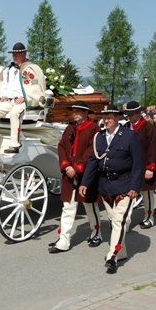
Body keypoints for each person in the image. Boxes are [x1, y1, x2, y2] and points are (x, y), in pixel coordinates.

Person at [79, 104, 142, 274]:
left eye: (110, 117)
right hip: (106, 185)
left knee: (118, 220)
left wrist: (135, 187)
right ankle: (121, 252)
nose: (106, 120)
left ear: (118, 118)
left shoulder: (130, 136)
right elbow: (93, 161)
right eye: (104, 117)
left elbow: (138, 164)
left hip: (125, 184)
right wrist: (85, 182)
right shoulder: (99, 137)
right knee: (114, 219)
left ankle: (112, 255)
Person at [49, 101, 102, 253]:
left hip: (86, 174)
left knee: (89, 205)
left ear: (86, 113)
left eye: (79, 111)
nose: (75, 113)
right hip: (69, 173)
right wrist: (66, 165)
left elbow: (92, 150)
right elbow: (61, 146)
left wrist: (77, 167)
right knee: (68, 206)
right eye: (74, 111)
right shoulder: (69, 128)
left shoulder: (94, 129)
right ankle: (64, 239)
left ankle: (96, 232)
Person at [0, 42, 45, 154]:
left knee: (14, 113)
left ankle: (14, 144)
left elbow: (34, 88)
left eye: (17, 54)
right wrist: (4, 95)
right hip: (10, 100)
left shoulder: (29, 68)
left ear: (24, 54)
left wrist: (25, 98)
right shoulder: (9, 69)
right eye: (13, 54)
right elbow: (5, 84)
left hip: (24, 100)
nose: (14, 57)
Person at [123, 100, 156, 229]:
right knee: (127, 194)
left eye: (132, 114)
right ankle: (124, 222)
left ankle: (149, 217)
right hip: (129, 166)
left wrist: (151, 167)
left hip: (144, 164)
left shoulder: (148, 128)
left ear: (139, 113)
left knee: (147, 193)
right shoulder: (126, 127)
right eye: (128, 114)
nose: (129, 116)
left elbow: (152, 148)